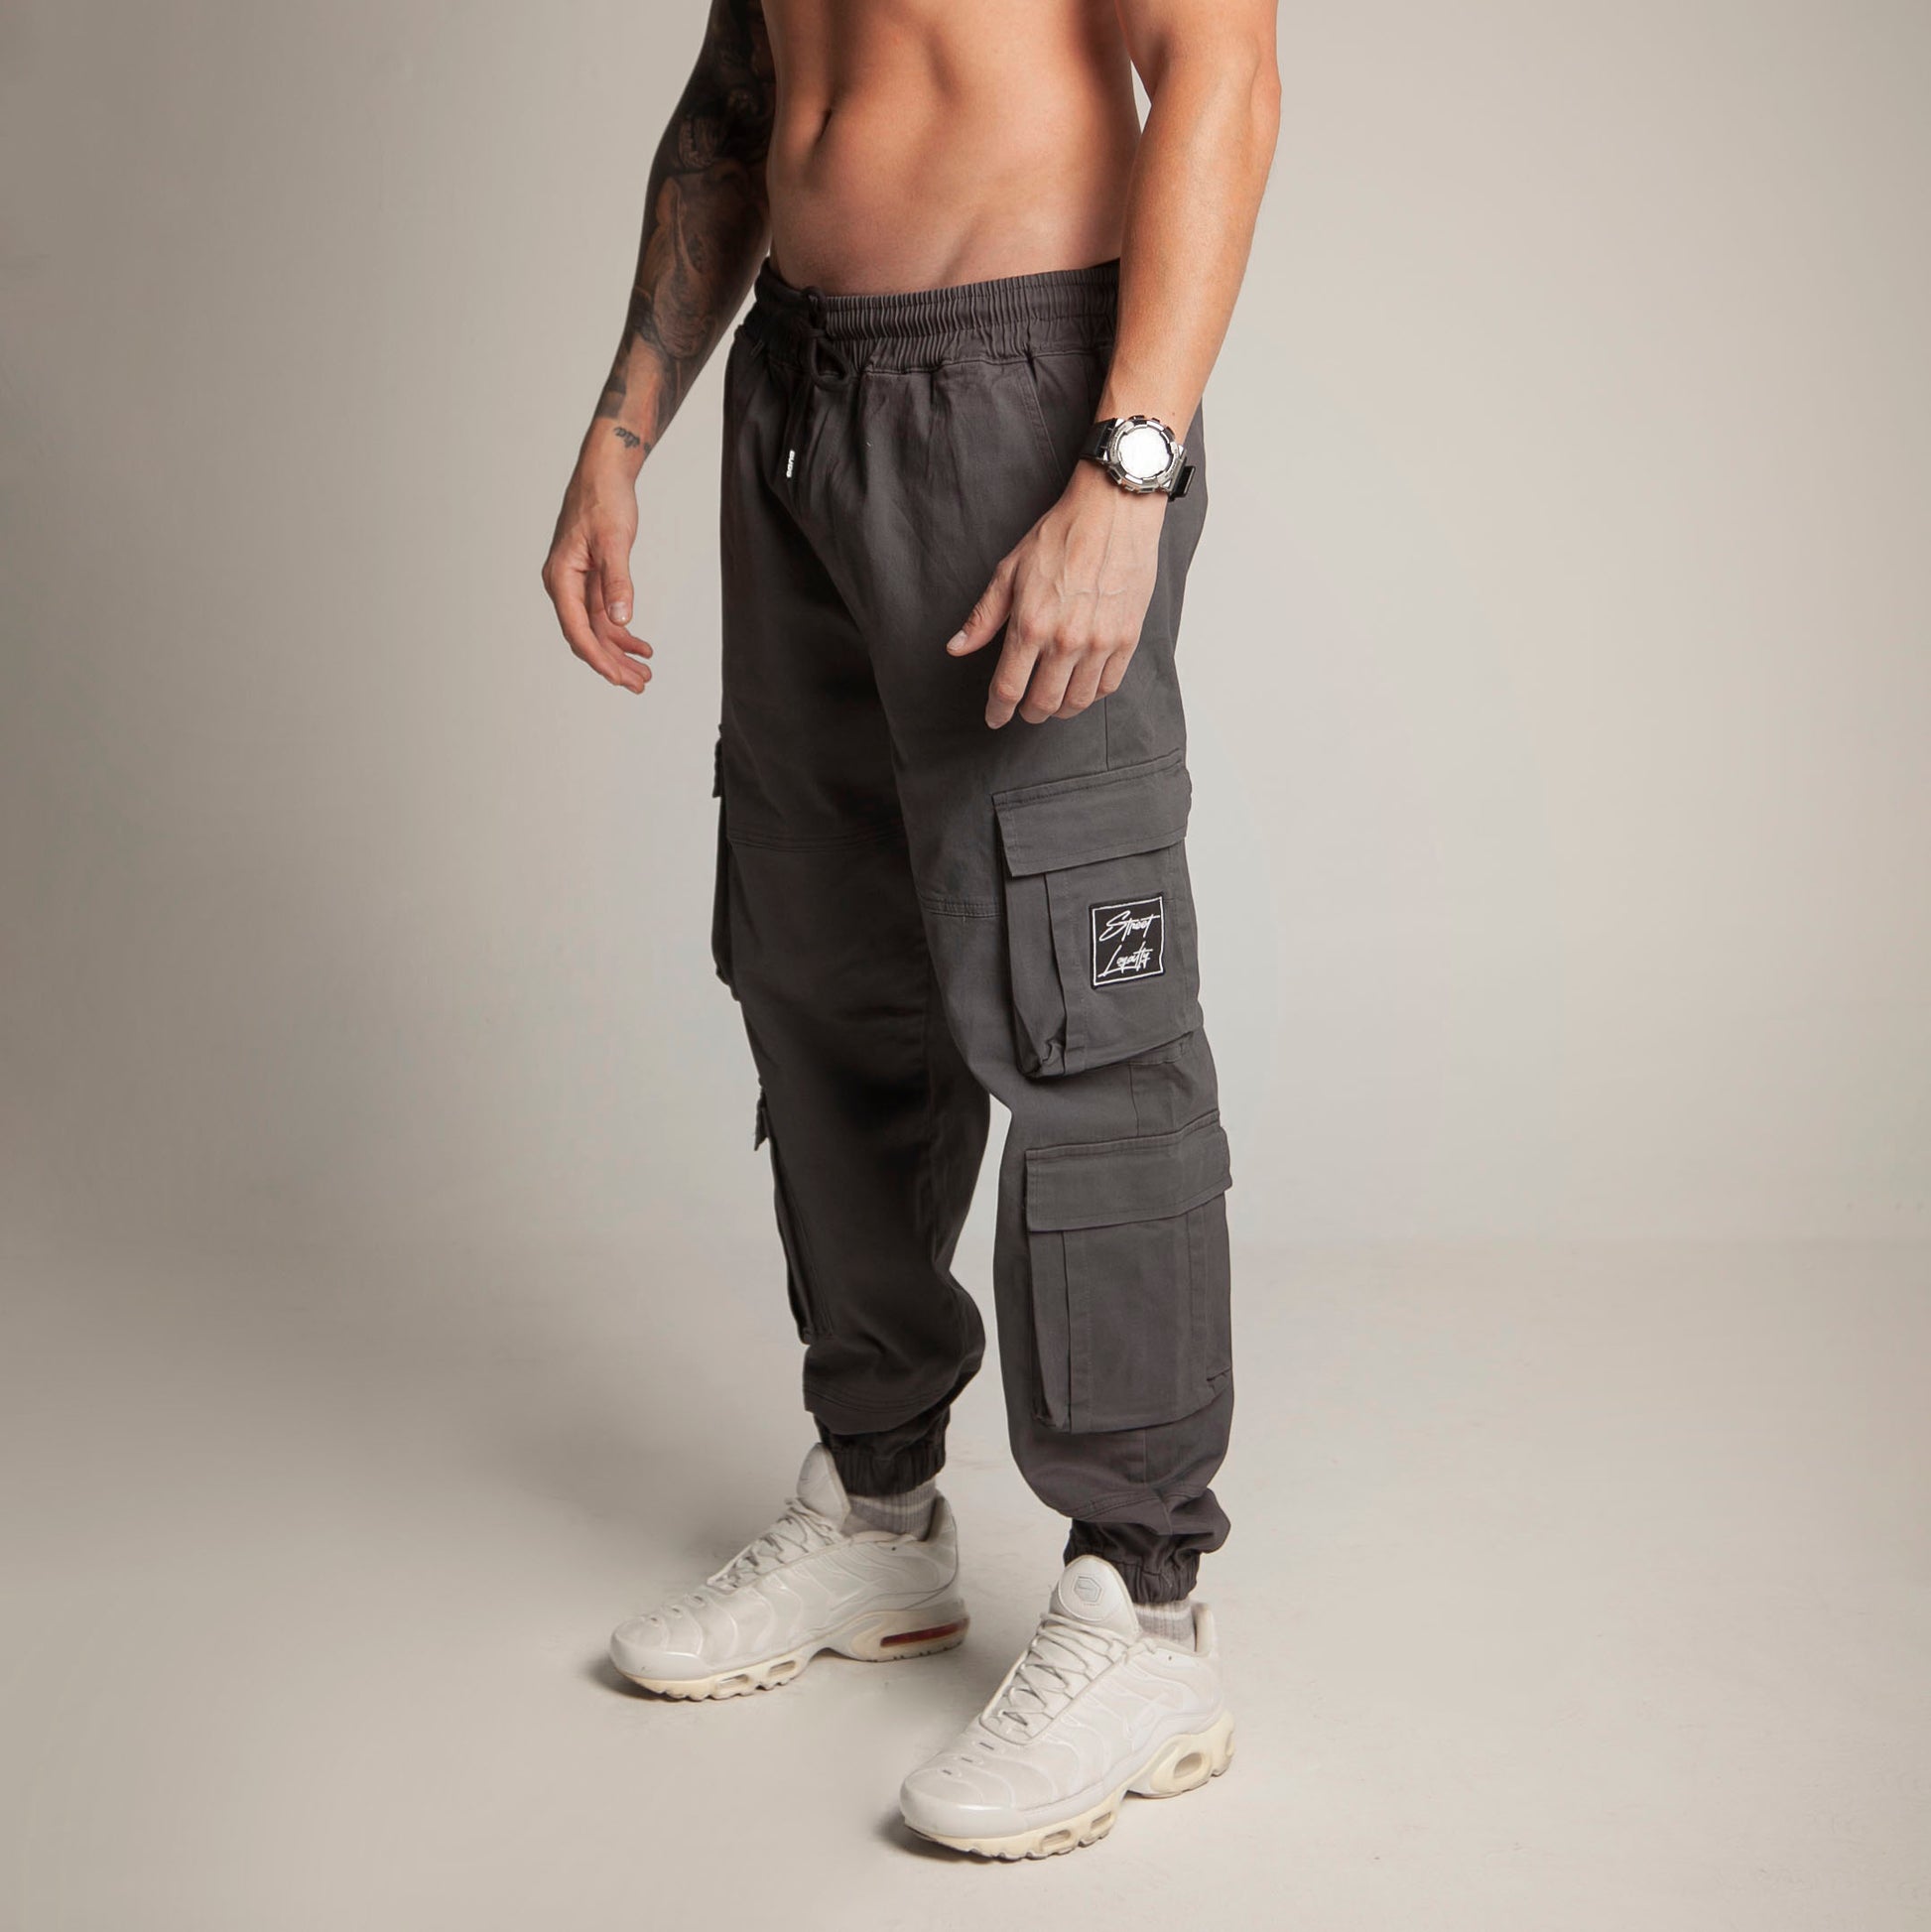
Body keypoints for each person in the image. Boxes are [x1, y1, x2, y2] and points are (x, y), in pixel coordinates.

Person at [541, 0, 1279, 1861]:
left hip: (1026, 391)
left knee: (1076, 999)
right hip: (796, 385)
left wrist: (1129, 466)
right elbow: (745, 88)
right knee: (824, 970)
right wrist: (625, 425)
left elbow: (1220, 62)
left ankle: (1145, 1605)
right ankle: (877, 1511)